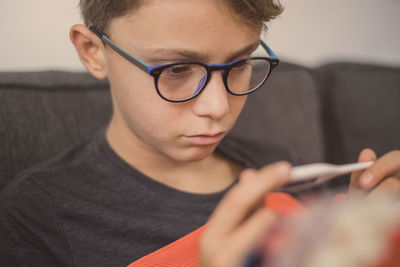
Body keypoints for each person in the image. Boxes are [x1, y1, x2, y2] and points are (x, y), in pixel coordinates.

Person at [0, 0, 399, 266]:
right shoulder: (38, 214)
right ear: (92, 51)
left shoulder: (281, 168)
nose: (218, 107)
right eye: (176, 70)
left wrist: (363, 235)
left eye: (240, 64)